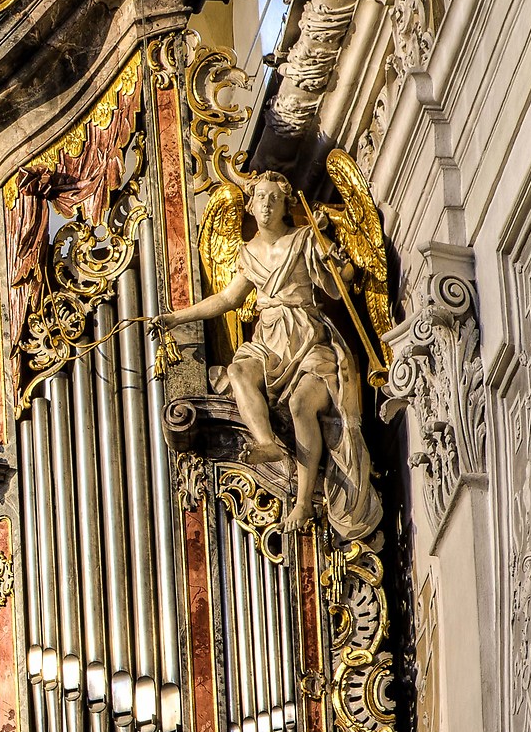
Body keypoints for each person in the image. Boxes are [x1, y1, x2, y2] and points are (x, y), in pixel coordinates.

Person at [149, 172, 381, 541]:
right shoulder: (248, 253)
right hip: (268, 339)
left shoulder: (304, 238)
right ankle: (266, 442)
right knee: (238, 371)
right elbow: (227, 299)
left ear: (286, 205)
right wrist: (176, 317)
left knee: (302, 405)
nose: (266, 205)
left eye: (274, 198)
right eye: (260, 198)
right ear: (251, 206)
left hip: (306, 337)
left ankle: (303, 502)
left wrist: (338, 264)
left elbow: (338, 288)